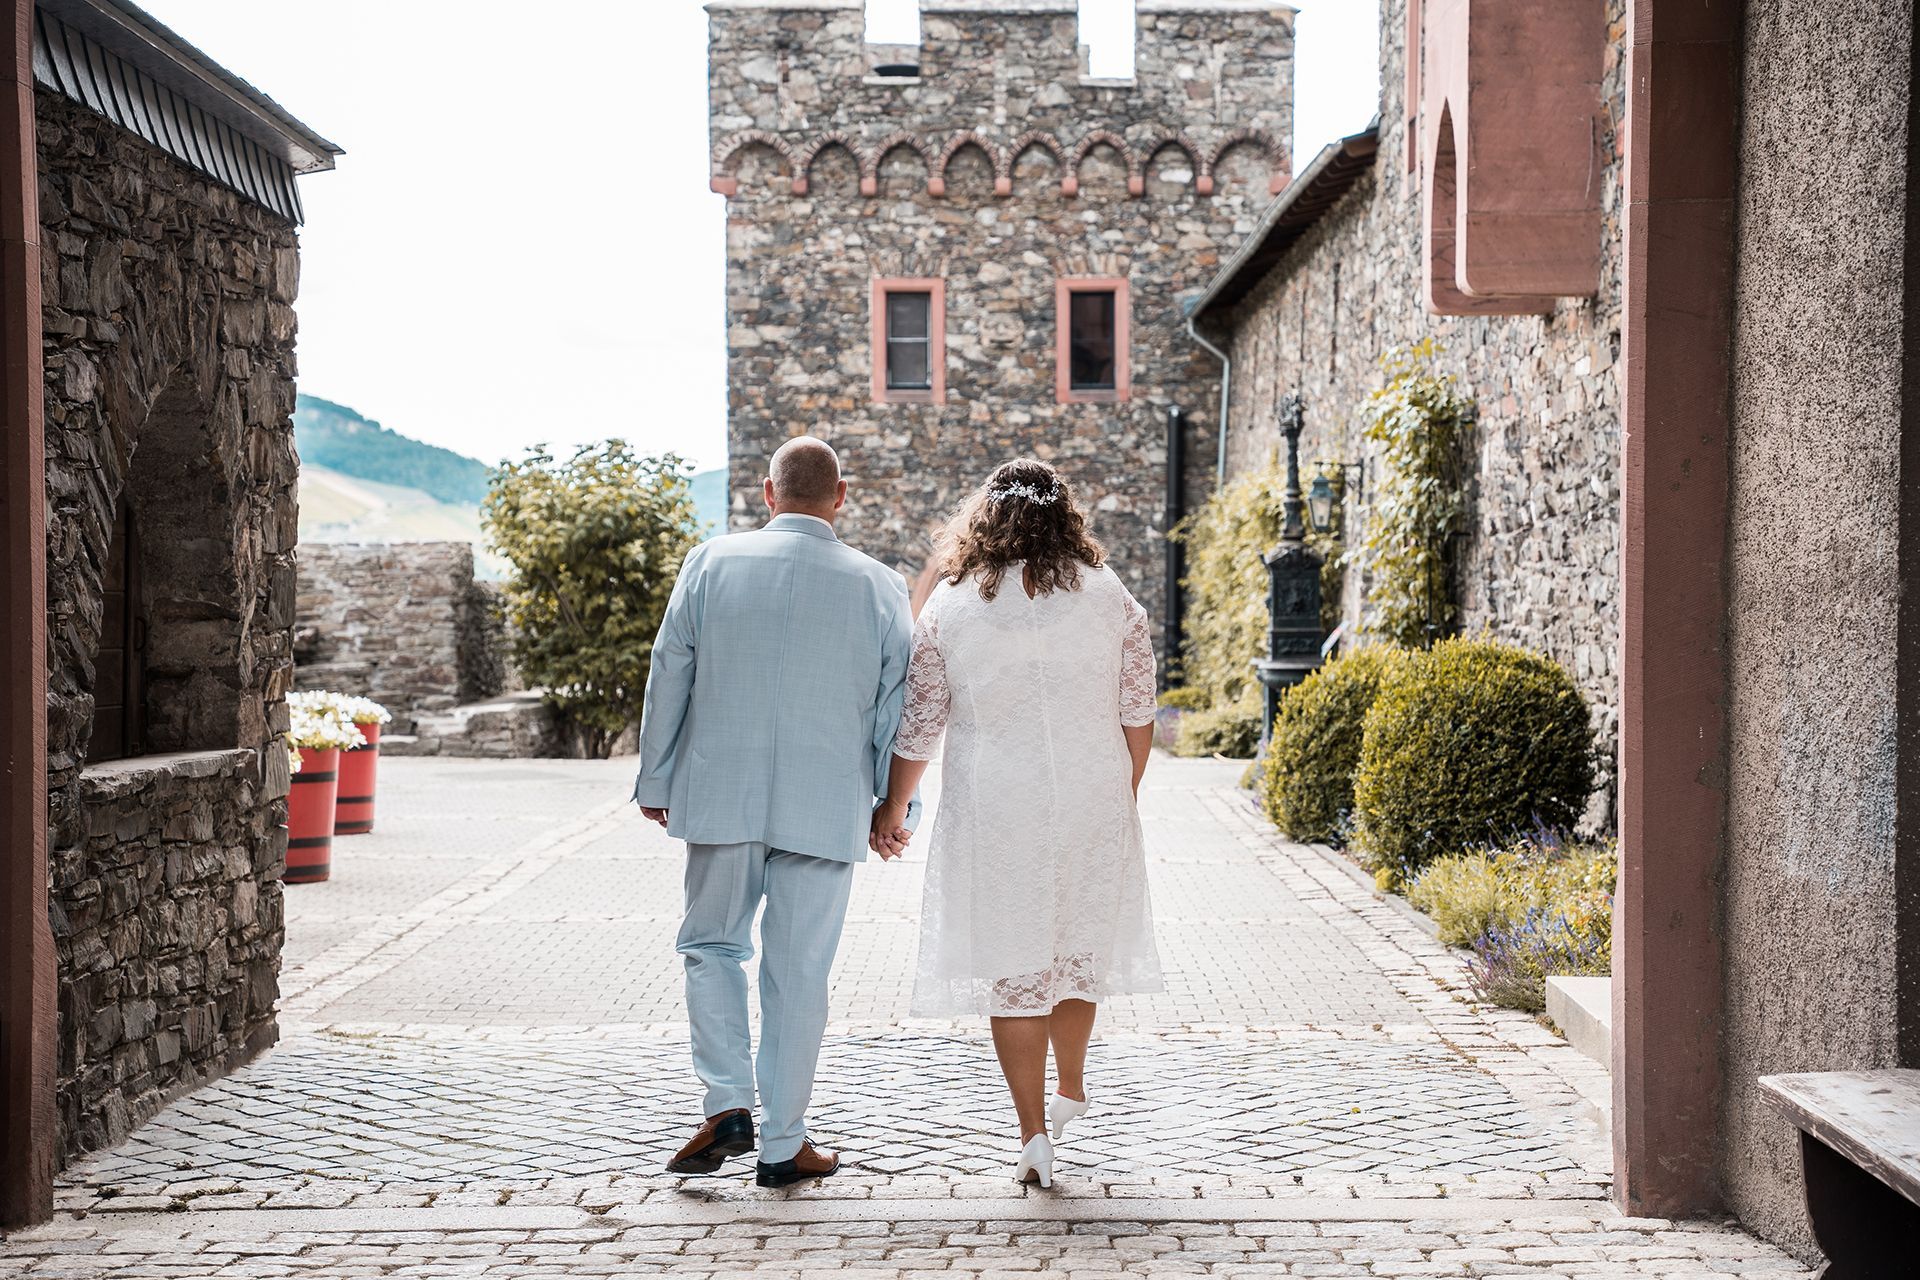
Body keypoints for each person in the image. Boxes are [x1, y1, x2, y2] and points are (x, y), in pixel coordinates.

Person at [871, 458, 1163, 1188]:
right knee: (1077, 945)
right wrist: (1121, 793)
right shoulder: (1109, 593)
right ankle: (1072, 1084)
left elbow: (921, 725)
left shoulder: (951, 604)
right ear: (1064, 514)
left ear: (985, 518)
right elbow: (1138, 713)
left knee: (1016, 965)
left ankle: (1033, 1134)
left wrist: (893, 806)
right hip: (1092, 793)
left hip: (996, 801)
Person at [634, 436, 915, 1188]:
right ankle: (784, 1145)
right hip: (827, 802)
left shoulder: (710, 562)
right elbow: (899, 707)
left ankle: (728, 1104)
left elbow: (670, 672)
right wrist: (894, 807)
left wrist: (656, 778)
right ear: (840, 496)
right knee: (798, 973)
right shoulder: (880, 585)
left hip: (720, 793)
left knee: (711, 947)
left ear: (768, 493)